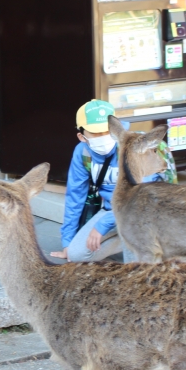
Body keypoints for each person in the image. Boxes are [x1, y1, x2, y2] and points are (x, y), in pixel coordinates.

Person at [50, 100, 177, 263]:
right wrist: (67, 242)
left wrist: (101, 226)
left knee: (132, 231)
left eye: (107, 131)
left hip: (142, 212)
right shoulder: (83, 153)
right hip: (112, 210)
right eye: (95, 133)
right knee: (76, 255)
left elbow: (138, 201)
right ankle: (131, 244)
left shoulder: (135, 147)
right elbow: (75, 197)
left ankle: (143, 253)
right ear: (82, 136)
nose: (103, 137)